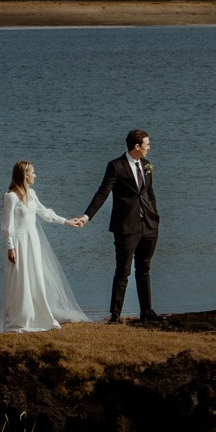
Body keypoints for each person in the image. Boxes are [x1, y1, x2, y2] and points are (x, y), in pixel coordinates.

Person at [0, 160, 91, 333]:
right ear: (24, 175)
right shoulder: (10, 196)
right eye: (32, 172)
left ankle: (38, 315)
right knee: (20, 280)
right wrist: (10, 247)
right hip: (19, 243)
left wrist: (67, 222)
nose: (35, 175)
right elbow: (6, 225)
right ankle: (20, 317)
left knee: (35, 277)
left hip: (33, 242)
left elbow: (45, 213)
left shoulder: (31, 194)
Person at [84, 128, 162, 324]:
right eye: (147, 145)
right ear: (137, 146)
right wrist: (87, 216)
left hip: (149, 225)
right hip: (126, 226)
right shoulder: (116, 166)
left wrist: (155, 215)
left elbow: (149, 192)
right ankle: (115, 315)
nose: (149, 148)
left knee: (144, 268)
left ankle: (147, 312)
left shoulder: (146, 165)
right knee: (123, 271)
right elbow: (103, 192)